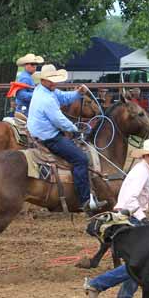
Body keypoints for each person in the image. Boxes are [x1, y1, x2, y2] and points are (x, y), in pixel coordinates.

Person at [84, 139, 149, 298]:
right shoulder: (142, 172)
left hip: (131, 217)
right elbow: (132, 199)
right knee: (139, 264)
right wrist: (143, 218)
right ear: (147, 155)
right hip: (129, 218)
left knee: (139, 264)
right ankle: (99, 286)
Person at [27, 64, 93, 211]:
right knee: (81, 159)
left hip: (41, 132)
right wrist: (75, 129)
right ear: (44, 80)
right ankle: (84, 200)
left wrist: (78, 93)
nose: (55, 82)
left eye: (55, 79)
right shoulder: (46, 98)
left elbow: (63, 97)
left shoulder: (44, 90)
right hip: (49, 137)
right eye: (52, 80)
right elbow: (59, 120)